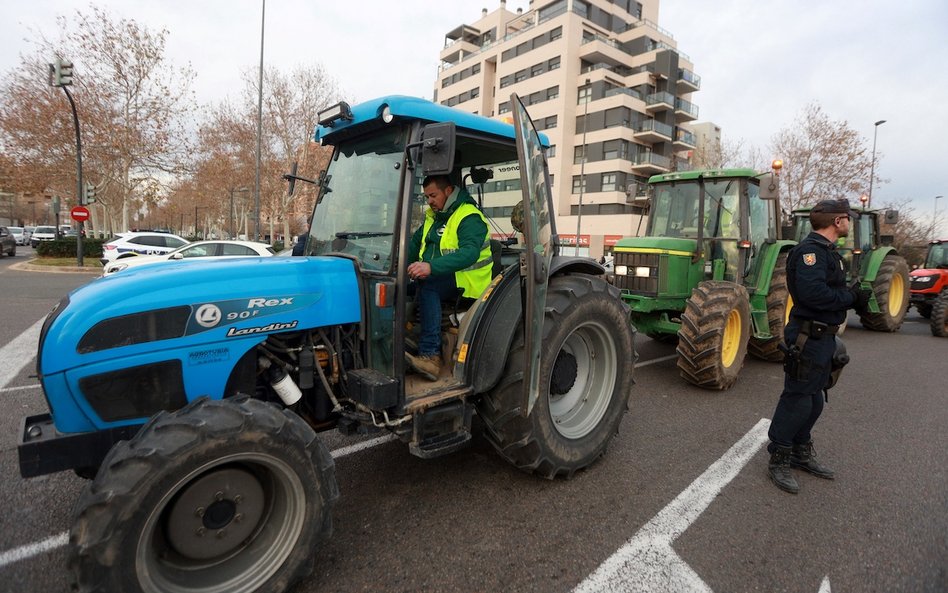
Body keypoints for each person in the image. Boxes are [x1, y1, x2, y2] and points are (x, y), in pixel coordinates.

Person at [767, 199, 872, 494]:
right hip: (807, 336)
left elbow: (829, 289)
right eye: (847, 219)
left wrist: (851, 294)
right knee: (797, 397)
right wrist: (851, 298)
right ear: (837, 221)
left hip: (822, 336)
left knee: (814, 399)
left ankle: (800, 451)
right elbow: (813, 295)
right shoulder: (810, 253)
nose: (849, 223)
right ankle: (779, 456)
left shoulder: (827, 252)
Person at [405, 175, 491, 380]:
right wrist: (393, 267)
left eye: (433, 195)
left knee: (429, 286)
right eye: (426, 197)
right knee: (402, 286)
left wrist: (430, 267)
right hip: (444, 273)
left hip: (469, 279)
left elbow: (469, 253)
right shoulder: (433, 217)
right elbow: (414, 245)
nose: (430, 201)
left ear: (448, 191)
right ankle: (405, 337)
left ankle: (431, 356)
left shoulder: (469, 216)